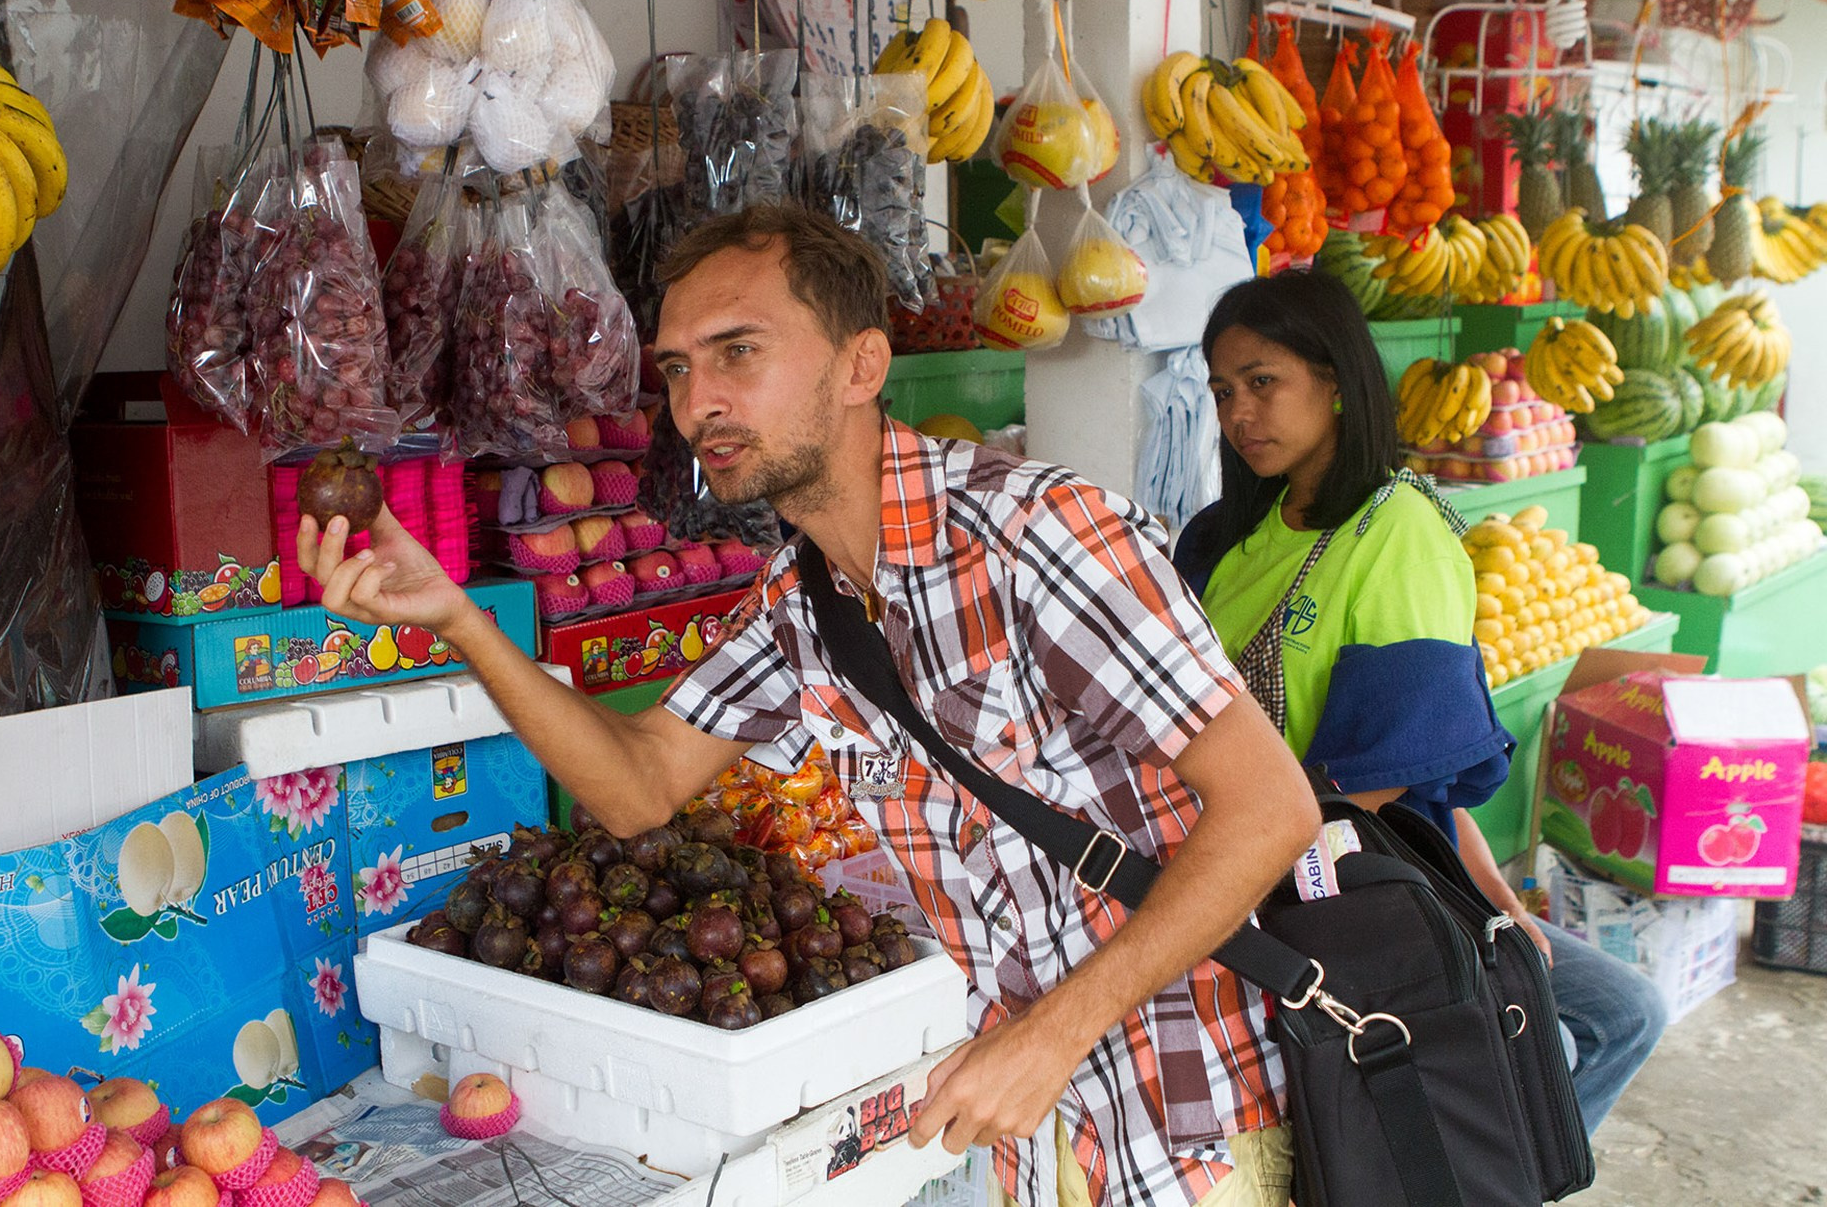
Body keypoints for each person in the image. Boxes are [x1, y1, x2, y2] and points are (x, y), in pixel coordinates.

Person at [298, 204, 1322, 1206]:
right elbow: (639, 786)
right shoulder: (801, 602)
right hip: (1038, 1134)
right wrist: (462, 621)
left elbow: (1270, 808)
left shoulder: (1036, 536)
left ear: (861, 366)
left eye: (738, 352)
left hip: (1191, 1127)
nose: (697, 403)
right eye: (677, 368)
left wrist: (1054, 1033)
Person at [1173, 267, 1668, 1136]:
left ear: (1335, 380)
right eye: (1222, 391)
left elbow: (1397, 781)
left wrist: (1500, 906)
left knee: (1615, 1014)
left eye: (1262, 382)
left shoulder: (1397, 530)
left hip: (1329, 872)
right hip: (1252, 874)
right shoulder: (1220, 538)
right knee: (1572, 1033)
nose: (1238, 413)